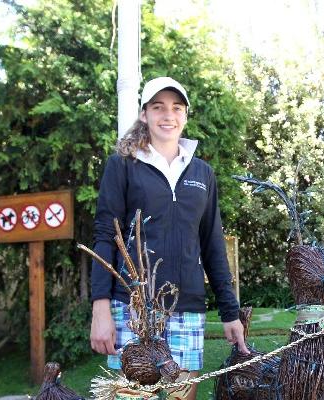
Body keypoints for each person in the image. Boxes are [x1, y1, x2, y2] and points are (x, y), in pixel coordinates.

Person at [90, 76, 248, 399]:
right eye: (158, 107)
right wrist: (100, 308)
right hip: (132, 311)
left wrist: (230, 312)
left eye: (176, 108)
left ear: (185, 116)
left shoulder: (202, 174)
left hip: (188, 309)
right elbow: (106, 236)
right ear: (144, 113)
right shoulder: (122, 166)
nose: (168, 115)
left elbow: (213, 245)